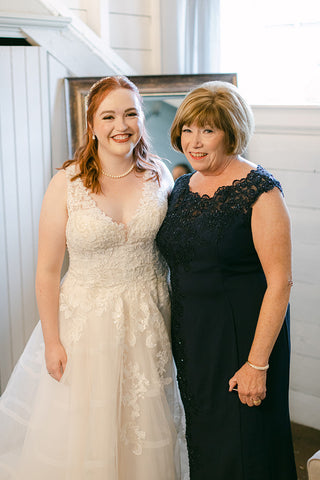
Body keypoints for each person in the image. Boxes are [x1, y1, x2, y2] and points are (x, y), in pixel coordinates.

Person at [0, 76, 188, 479]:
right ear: (92, 126)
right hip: (85, 327)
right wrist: (52, 342)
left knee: (143, 430)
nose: (121, 125)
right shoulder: (65, 184)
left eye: (131, 113)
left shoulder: (160, 177)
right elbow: (47, 272)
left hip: (148, 322)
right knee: (86, 431)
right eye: (109, 115)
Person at [156, 81, 297, 479]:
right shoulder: (182, 187)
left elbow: (280, 283)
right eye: (187, 129)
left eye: (207, 130)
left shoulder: (260, 191)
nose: (194, 142)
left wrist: (257, 363)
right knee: (207, 444)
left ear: (231, 132)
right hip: (195, 341)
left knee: (246, 449)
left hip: (243, 342)